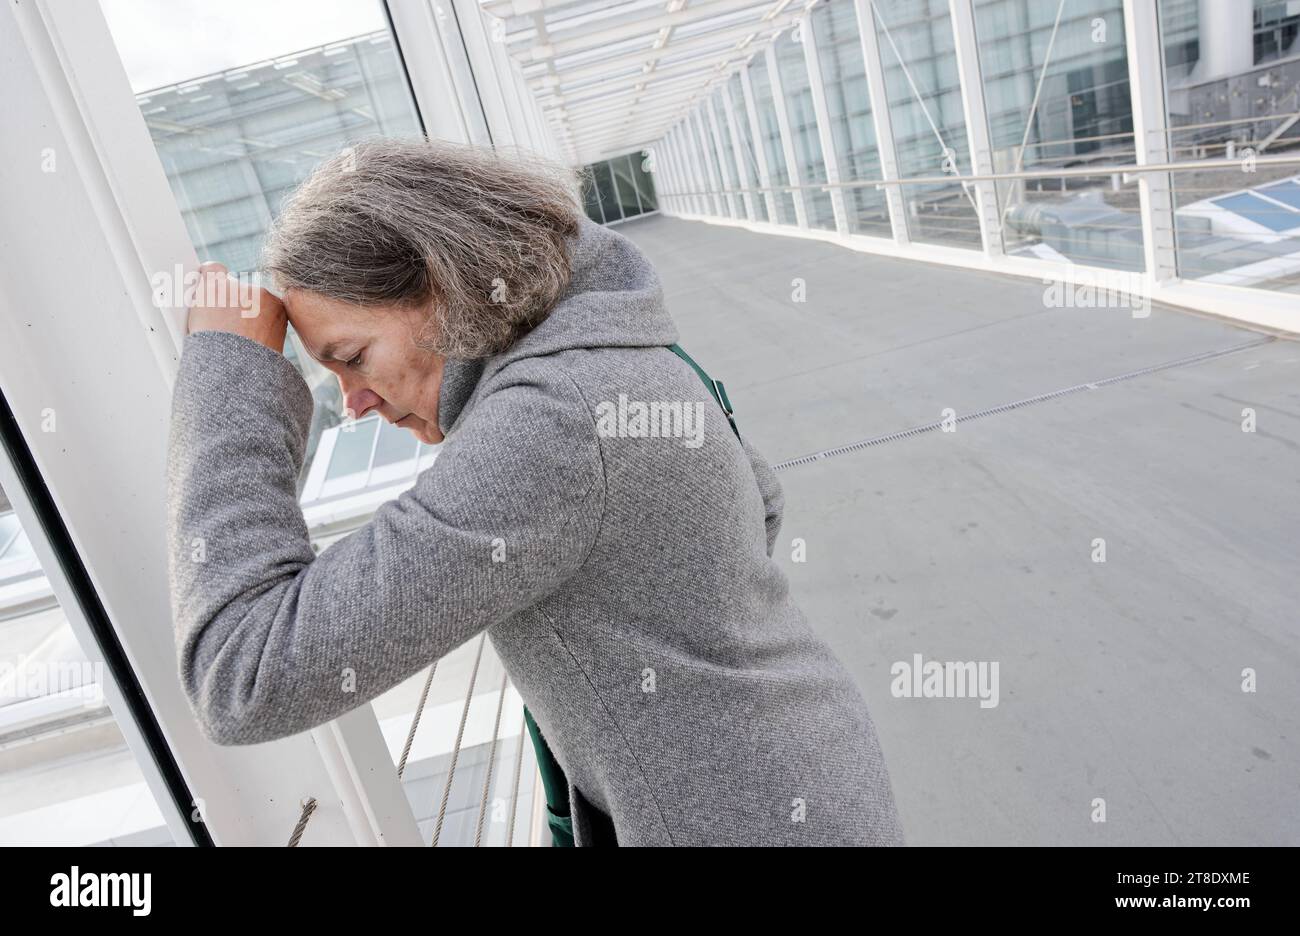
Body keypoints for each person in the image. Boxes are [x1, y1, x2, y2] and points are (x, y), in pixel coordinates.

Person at [165, 137, 904, 846]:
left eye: (353, 357)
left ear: (442, 285)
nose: (352, 403)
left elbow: (244, 673)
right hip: (811, 771)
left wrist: (232, 376)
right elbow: (761, 501)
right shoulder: (614, 343)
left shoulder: (551, 424)